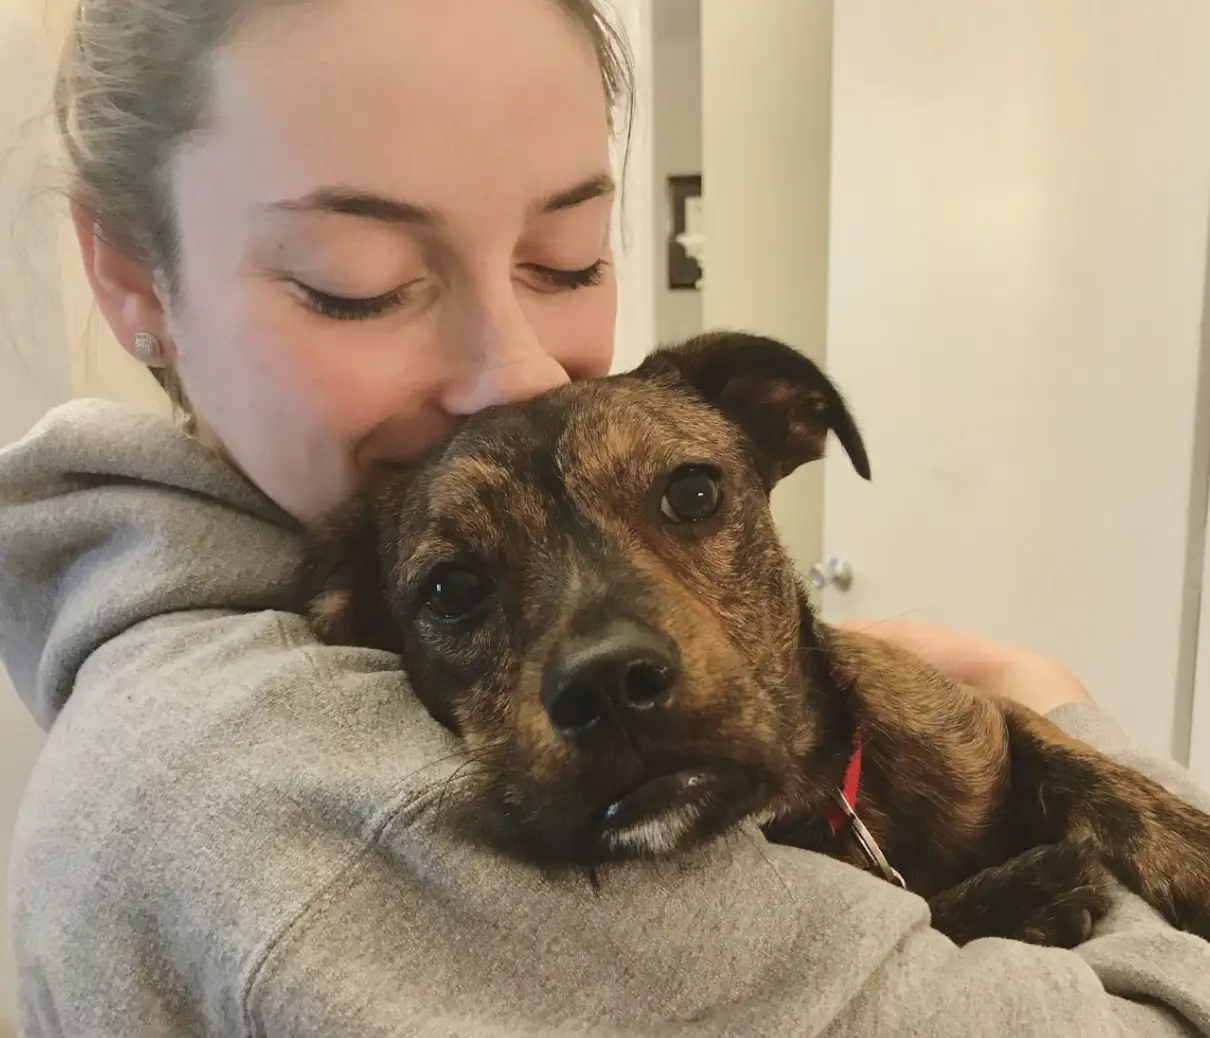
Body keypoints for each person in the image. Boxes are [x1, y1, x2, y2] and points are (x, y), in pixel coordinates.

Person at [1, 1, 1208, 1034]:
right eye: (352, 282)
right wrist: (1052, 698)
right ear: (126, 274)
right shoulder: (291, 804)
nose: (521, 376)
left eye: (570, 257)